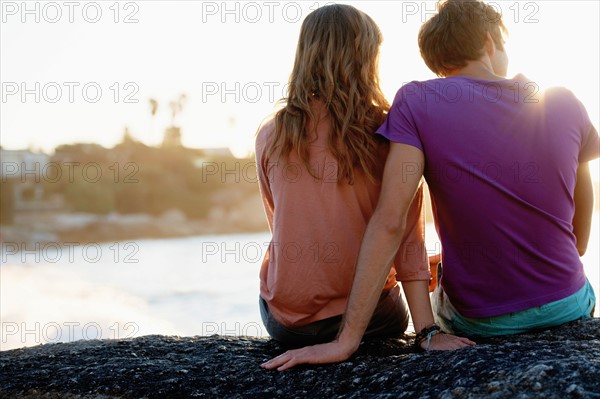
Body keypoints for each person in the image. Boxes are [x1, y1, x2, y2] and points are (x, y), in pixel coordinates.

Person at [262, 0, 599, 370]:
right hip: (565, 304)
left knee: (436, 277)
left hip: (294, 321)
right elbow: (579, 241)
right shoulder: (560, 99)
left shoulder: (274, 134)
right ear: (490, 42)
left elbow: (307, 222)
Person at [255, 4, 473, 350]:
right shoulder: (389, 133)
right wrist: (427, 332)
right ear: (368, 58)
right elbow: (405, 239)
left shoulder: (271, 134)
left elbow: (286, 222)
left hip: (285, 322)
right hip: (371, 319)